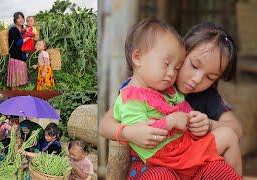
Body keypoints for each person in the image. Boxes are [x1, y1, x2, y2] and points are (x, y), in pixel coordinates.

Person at [99, 20, 242, 179]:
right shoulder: (144, 87)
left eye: (210, 77)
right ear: (182, 53)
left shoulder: (206, 94)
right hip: (155, 162)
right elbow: (106, 124)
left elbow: (235, 129)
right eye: (194, 65)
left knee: (219, 166)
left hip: (189, 156)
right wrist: (129, 132)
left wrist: (208, 124)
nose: (197, 79)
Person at [7, 12, 31, 89]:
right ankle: (13, 95)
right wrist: (28, 38)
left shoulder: (23, 30)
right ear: (15, 20)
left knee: (18, 81)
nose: (20, 20)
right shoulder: (13, 30)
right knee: (15, 81)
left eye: (22, 18)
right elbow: (18, 43)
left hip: (22, 57)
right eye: (18, 18)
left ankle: (16, 95)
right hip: (16, 57)